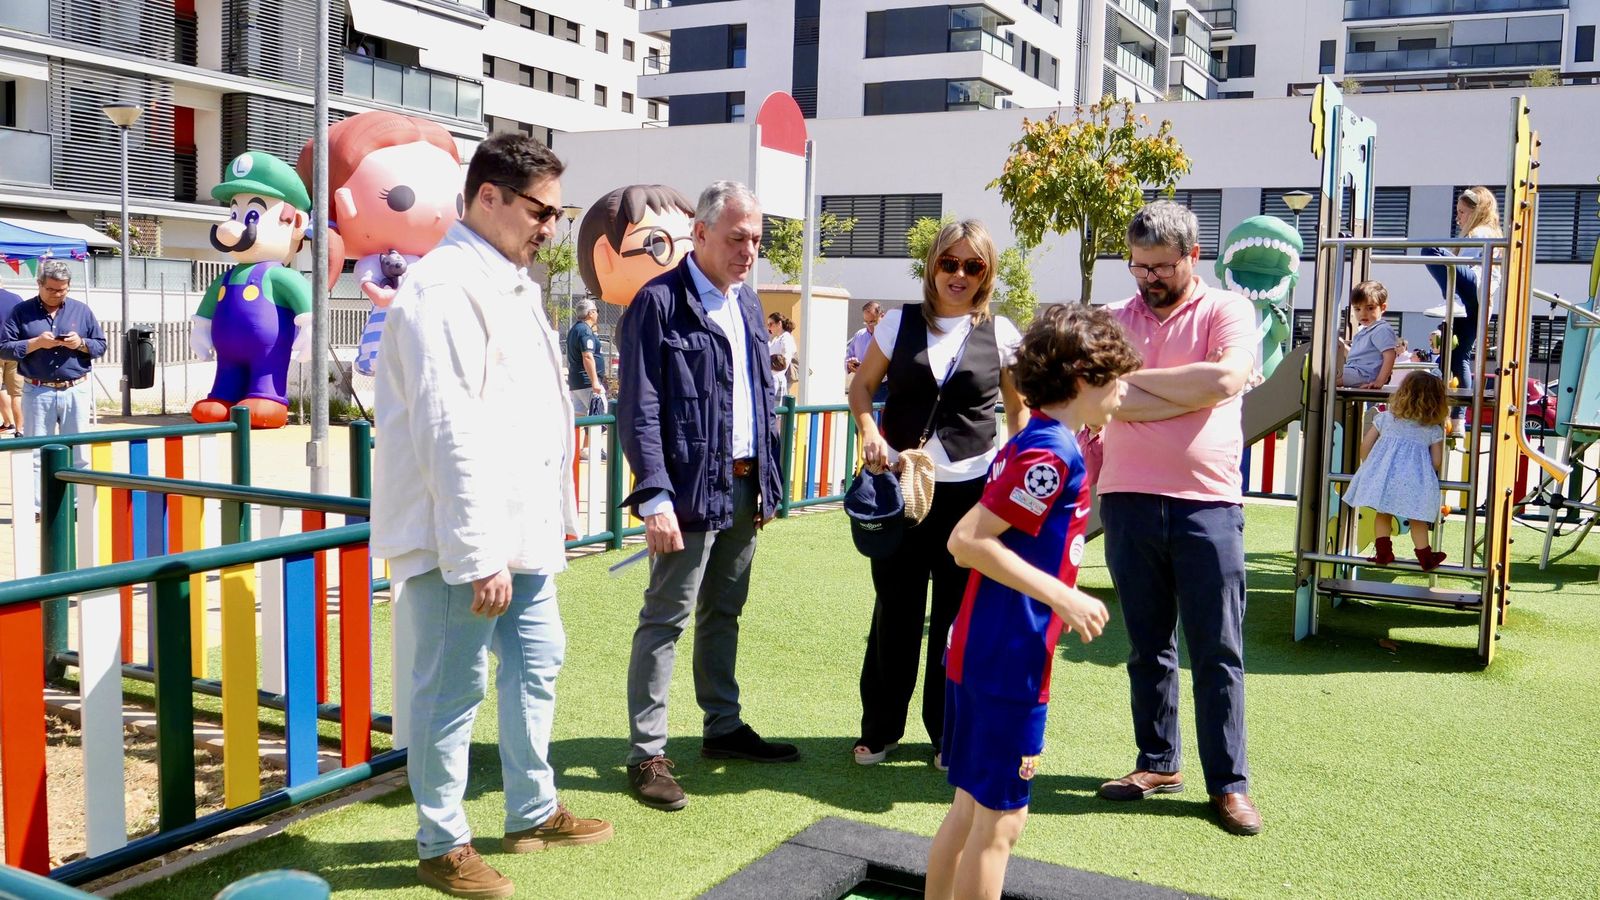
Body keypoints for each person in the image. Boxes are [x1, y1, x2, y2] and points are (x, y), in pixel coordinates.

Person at [370, 133, 612, 900]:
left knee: (537, 662)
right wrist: (476, 551)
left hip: (517, 529)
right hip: (463, 538)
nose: (552, 226)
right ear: (489, 198)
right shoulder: (445, 288)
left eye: (556, 210)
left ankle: (532, 809)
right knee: (449, 690)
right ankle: (441, 843)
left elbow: (528, 415)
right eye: (543, 210)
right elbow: (449, 428)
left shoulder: (507, 280)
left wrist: (552, 513)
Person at [926, 304, 1137, 900]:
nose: (1122, 390)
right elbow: (966, 541)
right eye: (1114, 376)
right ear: (1081, 380)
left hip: (986, 647)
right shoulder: (1050, 453)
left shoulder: (1043, 441)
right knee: (1001, 823)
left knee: (971, 811)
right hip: (1005, 657)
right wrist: (1061, 595)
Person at [616, 180, 794, 813]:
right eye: (737, 238)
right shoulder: (657, 304)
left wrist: (768, 485)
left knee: (725, 610)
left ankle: (722, 726)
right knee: (666, 617)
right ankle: (647, 753)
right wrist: (654, 496)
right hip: (688, 489)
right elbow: (639, 408)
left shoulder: (745, 303)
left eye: (756, 239)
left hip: (744, 484)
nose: (749, 250)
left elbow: (760, 398)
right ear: (701, 235)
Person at [1094, 201, 1262, 836]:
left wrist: (1137, 388)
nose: (1149, 278)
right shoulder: (1111, 317)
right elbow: (1101, 394)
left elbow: (1226, 379)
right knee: (1147, 647)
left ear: (1193, 257)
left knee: (1218, 650)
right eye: (1140, 266)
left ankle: (1229, 784)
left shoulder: (1228, 309)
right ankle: (1157, 762)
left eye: (1162, 266)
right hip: (1128, 501)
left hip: (1210, 504)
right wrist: (1167, 391)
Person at [848, 219, 1027, 770]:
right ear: (933, 265)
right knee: (895, 613)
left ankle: (948, 734)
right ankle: (880, 730)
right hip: (905, 490)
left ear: (986, 274)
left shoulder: (1002, 334)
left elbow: (1017, 412)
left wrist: (1014, 473)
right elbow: (861, 387)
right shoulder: (896, 323)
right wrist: (870, 431)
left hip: (972, 498)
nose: (958, 274)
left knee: (957, 620)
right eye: (949, 262)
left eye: (972, 266)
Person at [0, 260, 107, 477]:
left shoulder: (82, 310)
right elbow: (4, 348)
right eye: (51, 289)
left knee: (80, 453)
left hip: (75, 389)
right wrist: (35, 343)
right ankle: (40, 509)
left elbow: (101, 345)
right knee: (38, 454)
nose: (57, 294)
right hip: (37, 391)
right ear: (39, 284)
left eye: (62, 290)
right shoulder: (21, 311)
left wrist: (81, 343)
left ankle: (77, 506)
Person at [1344, 372, 1450, 571]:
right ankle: (1425, 556)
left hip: (1385, 477)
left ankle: (1383, 553)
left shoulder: (1385, 419)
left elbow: (1365, 446)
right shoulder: (1432, 429)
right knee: (1417, 518)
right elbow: (1436, 462)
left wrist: (1371, 465)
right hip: (1415, 481)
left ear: (1402, 394)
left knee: (1383, 513)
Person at [1424, 186, 1502, 436]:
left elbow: (1466, 266)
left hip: (1472, 292)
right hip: (1479, 302)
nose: (1458, 218)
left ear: (1476, 211)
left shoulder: (1479, 232)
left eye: (1462, 212)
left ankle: (1443, 414)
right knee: (1456, 356)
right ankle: (1457, 421)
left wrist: (1453, 295)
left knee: (1431, 250)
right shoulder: (1489, 233)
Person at [1336, 281, 1397, 389]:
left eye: (1370, 308)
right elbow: (1358, 357)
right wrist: (1343, 346)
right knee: (1327, 370)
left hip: (1364, 375)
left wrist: (1379, 381)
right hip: (1356, 371)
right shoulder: (1365, 331)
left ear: (1382, 308)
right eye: (1357, 309)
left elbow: (1390, 356)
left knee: (1326, 375)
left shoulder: (1381, 329)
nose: (1363, 314)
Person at [568, 297, 608, 459]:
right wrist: (595, 382)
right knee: (600, 412)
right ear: (591, 313)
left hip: (576, 381)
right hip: (586, 381)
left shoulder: (575, 329)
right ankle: (592, 448)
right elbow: (587, 356)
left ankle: (582, 449)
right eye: (596, 311)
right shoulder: (585, 331)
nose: (597, 314)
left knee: (581, 415)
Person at [846, 301, 888, 403]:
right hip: (862, 387)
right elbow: (847, 357)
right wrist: (850, 364)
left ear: (882, 316)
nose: (869, 326)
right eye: (866, 322)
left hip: (885, 388)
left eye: (873, 322)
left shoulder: (892, 337)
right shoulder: (859, 335)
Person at [0, 276, 24, 435]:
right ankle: (19, 429)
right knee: (17, 393)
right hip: (14, 350)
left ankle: (9, 423)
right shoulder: (17, 299)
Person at [767, 311, 797, 402]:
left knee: (778, 408)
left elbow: (785, 360)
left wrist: (777, 373)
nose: (769, 327)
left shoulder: (786, 338)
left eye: (771, 324)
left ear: (779, 324)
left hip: (779, 378)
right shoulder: (776, 339)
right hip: (773, 377)